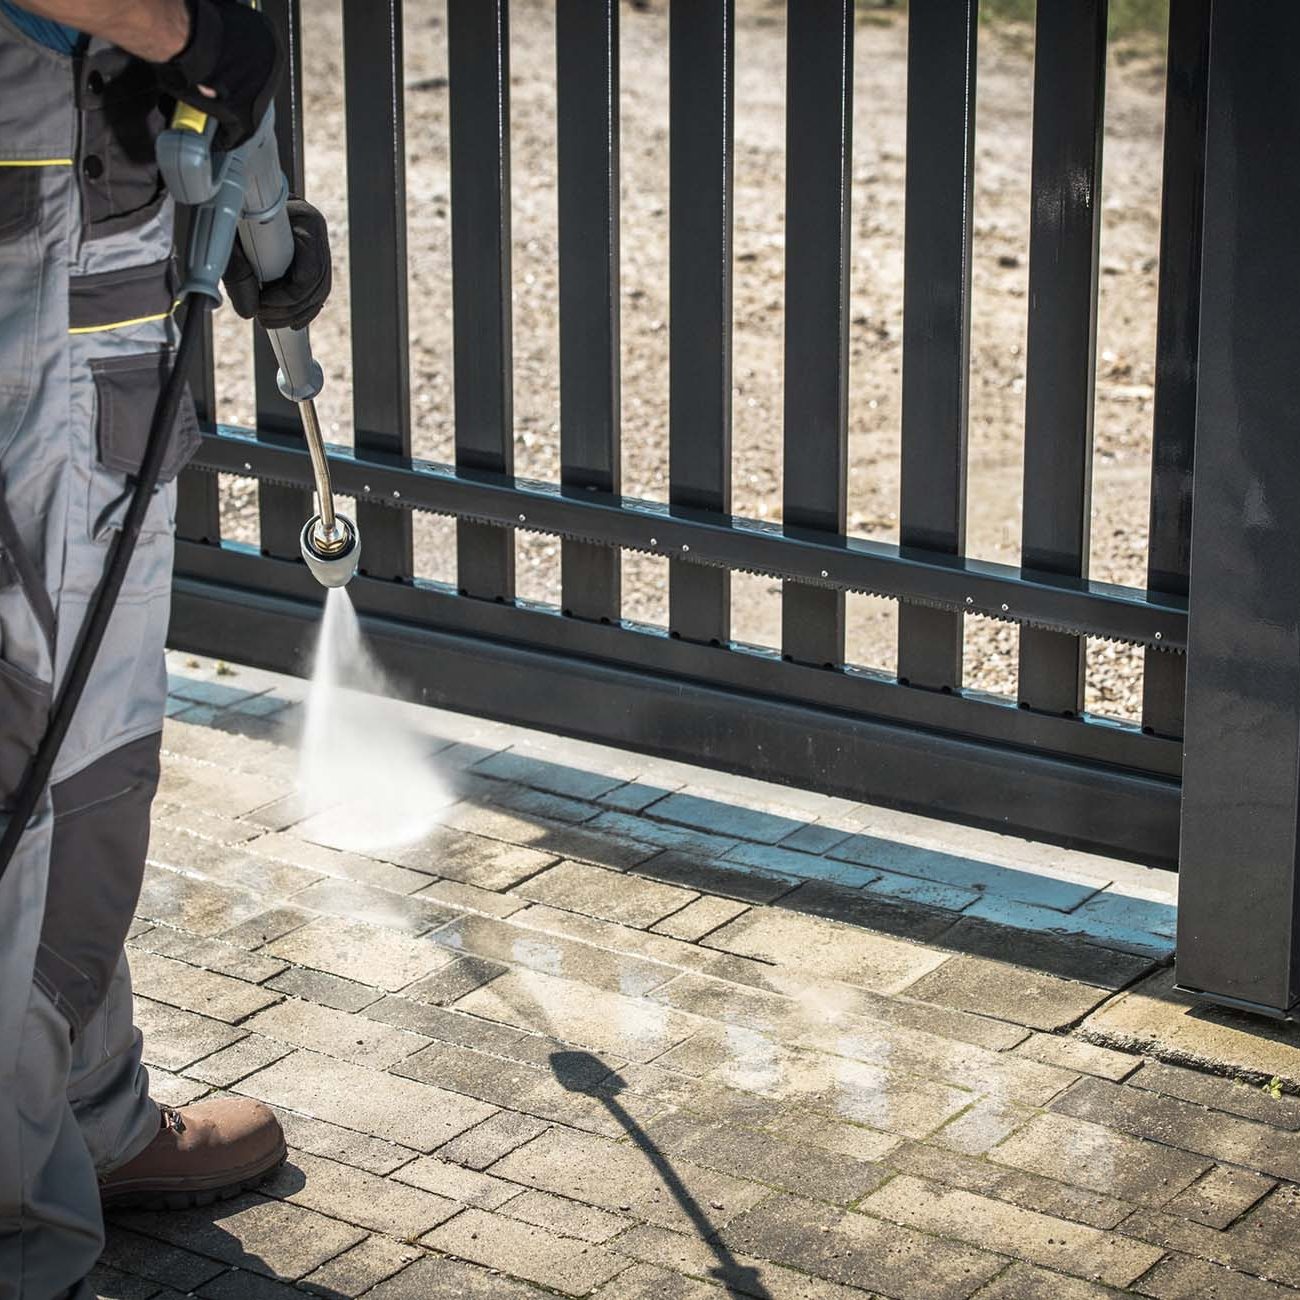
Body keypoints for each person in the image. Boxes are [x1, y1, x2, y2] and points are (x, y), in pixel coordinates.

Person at [0, 2, 332, 1295]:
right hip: (33, 266)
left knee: (75, 751)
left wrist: (240, 209)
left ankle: (81, 1116)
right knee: (38, 756)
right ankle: (22, 1227)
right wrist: (178, 26)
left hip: (86, 227)